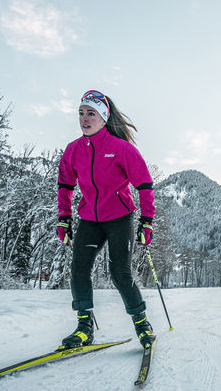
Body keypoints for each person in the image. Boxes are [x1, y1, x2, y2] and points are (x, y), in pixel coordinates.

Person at [55, 89, 157, 350]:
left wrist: (146, 221)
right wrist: (64, 218)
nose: (84, 119)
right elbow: (65, 185)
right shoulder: (73, 150)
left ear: (103, 117)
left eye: (91, 113)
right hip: (89, 217)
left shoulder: (121, 148)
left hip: (119, 217)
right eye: (81, 113)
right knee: (79, 269)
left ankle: (142, 325)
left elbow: (144, 185)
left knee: (119, 272)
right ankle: (84, 329)